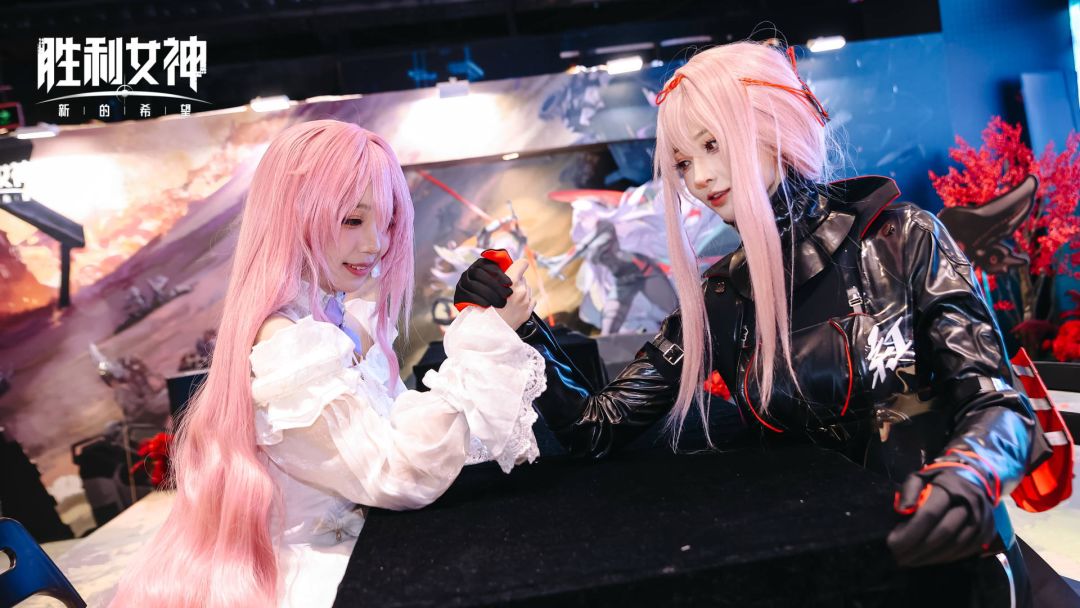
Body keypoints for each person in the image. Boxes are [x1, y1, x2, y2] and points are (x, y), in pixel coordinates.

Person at [455, 42, 1046, 605]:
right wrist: (522, 324)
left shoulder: (902, 240)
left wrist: (969, 475)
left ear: (772, 127)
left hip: (946, 558)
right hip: (822, 571)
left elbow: (997, 401)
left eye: (714, 144)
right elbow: (596, 426)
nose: (700, 178)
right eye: (684, 162)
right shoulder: (721, 297)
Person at [110, 120, 546, 608]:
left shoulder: (333, 320)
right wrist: (483, 339)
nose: (375, 243)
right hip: (318, 575)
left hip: (371, 544)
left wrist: (478, 325)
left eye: (388, 222)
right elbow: (397, 473)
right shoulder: (286, 342)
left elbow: (398, 431)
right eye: (352, 220)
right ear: (290, 218)